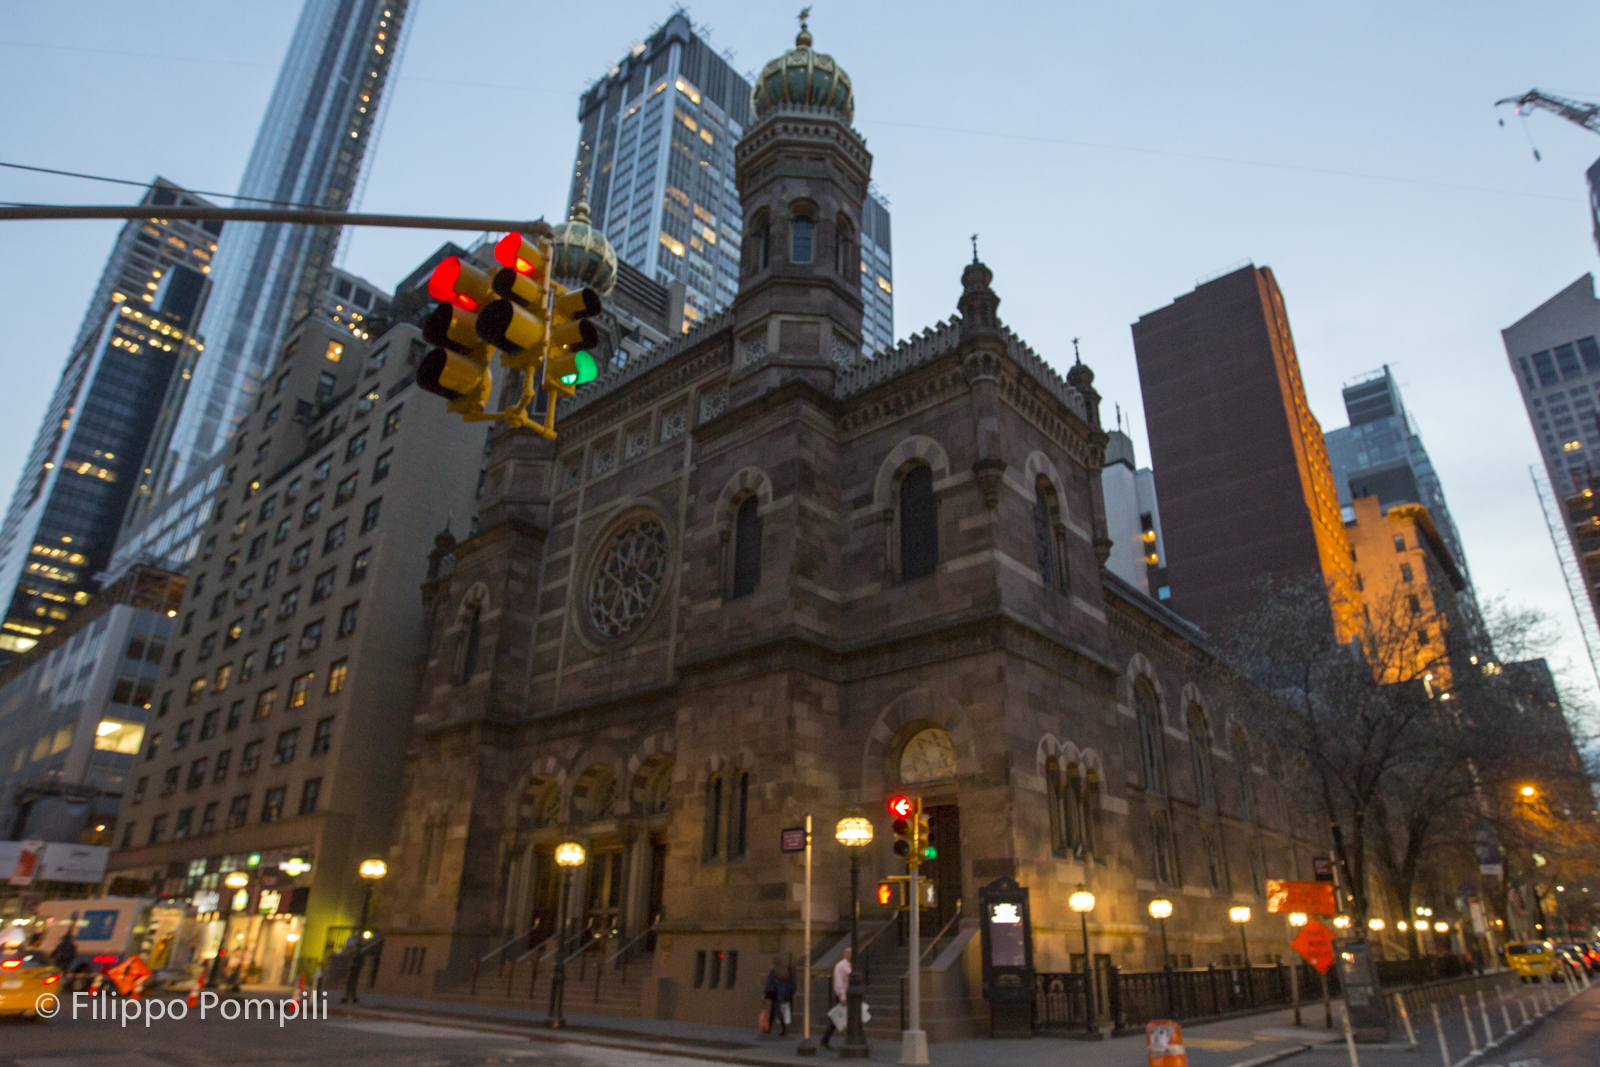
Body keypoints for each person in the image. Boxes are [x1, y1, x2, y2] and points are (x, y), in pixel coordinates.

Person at [819, 948, 851, 1049]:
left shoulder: (850, 965)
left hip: (850, 994)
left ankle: (850, 1040)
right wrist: (842, 996)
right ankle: (825, 1040)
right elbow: (839, 982)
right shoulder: (840, 966)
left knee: (851, 1018)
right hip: (842, 995)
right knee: (836, 1019)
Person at [774, 960, 795, 1037]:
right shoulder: (782, 980)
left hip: (783, 999)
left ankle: (785, 1030)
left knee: (783, 1015)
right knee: (783, 1015)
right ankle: (784, 1029)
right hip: (783, 998)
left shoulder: (784, 981)